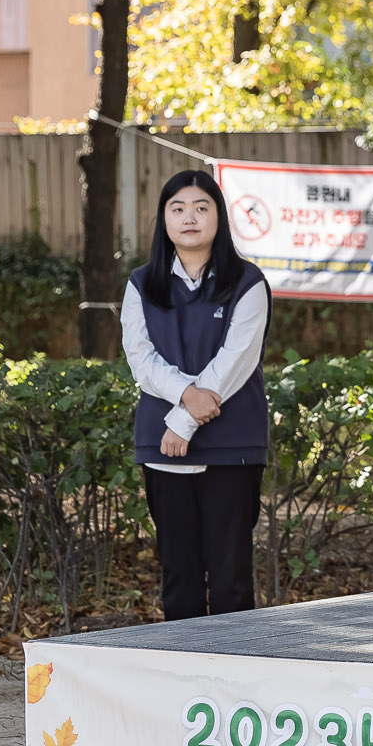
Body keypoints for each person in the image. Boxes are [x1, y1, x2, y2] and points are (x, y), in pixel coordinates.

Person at [121, 169, 271, 619]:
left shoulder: (247, 282)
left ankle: (235, 678)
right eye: (178, 208)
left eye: (202, 208)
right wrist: (187, 396)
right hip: (161, 446)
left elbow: (236, 361)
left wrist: (183, 422)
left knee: (231, 578)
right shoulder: (141, 283)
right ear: (164, 219)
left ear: (219, 219)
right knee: (179, 575)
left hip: (232, 445)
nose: (190, 218)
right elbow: (140, 360)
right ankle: (183, 682)